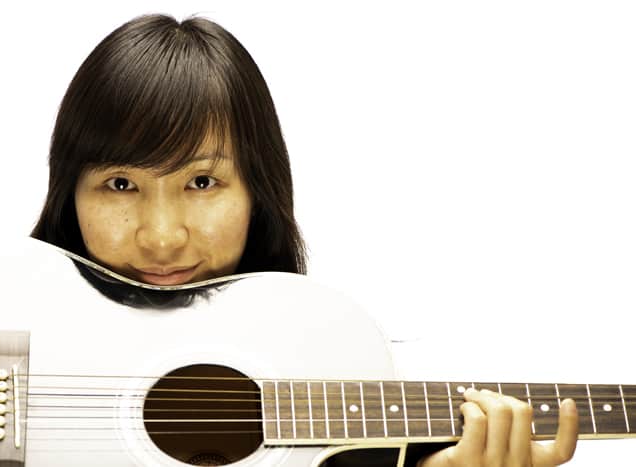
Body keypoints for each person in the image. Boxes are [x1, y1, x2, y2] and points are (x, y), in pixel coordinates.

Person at [30, 13, 578, 467]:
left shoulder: (336, 374)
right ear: (69, 191)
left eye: (201, 182)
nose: (163, 237)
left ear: (258, 191)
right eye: (120, 184)